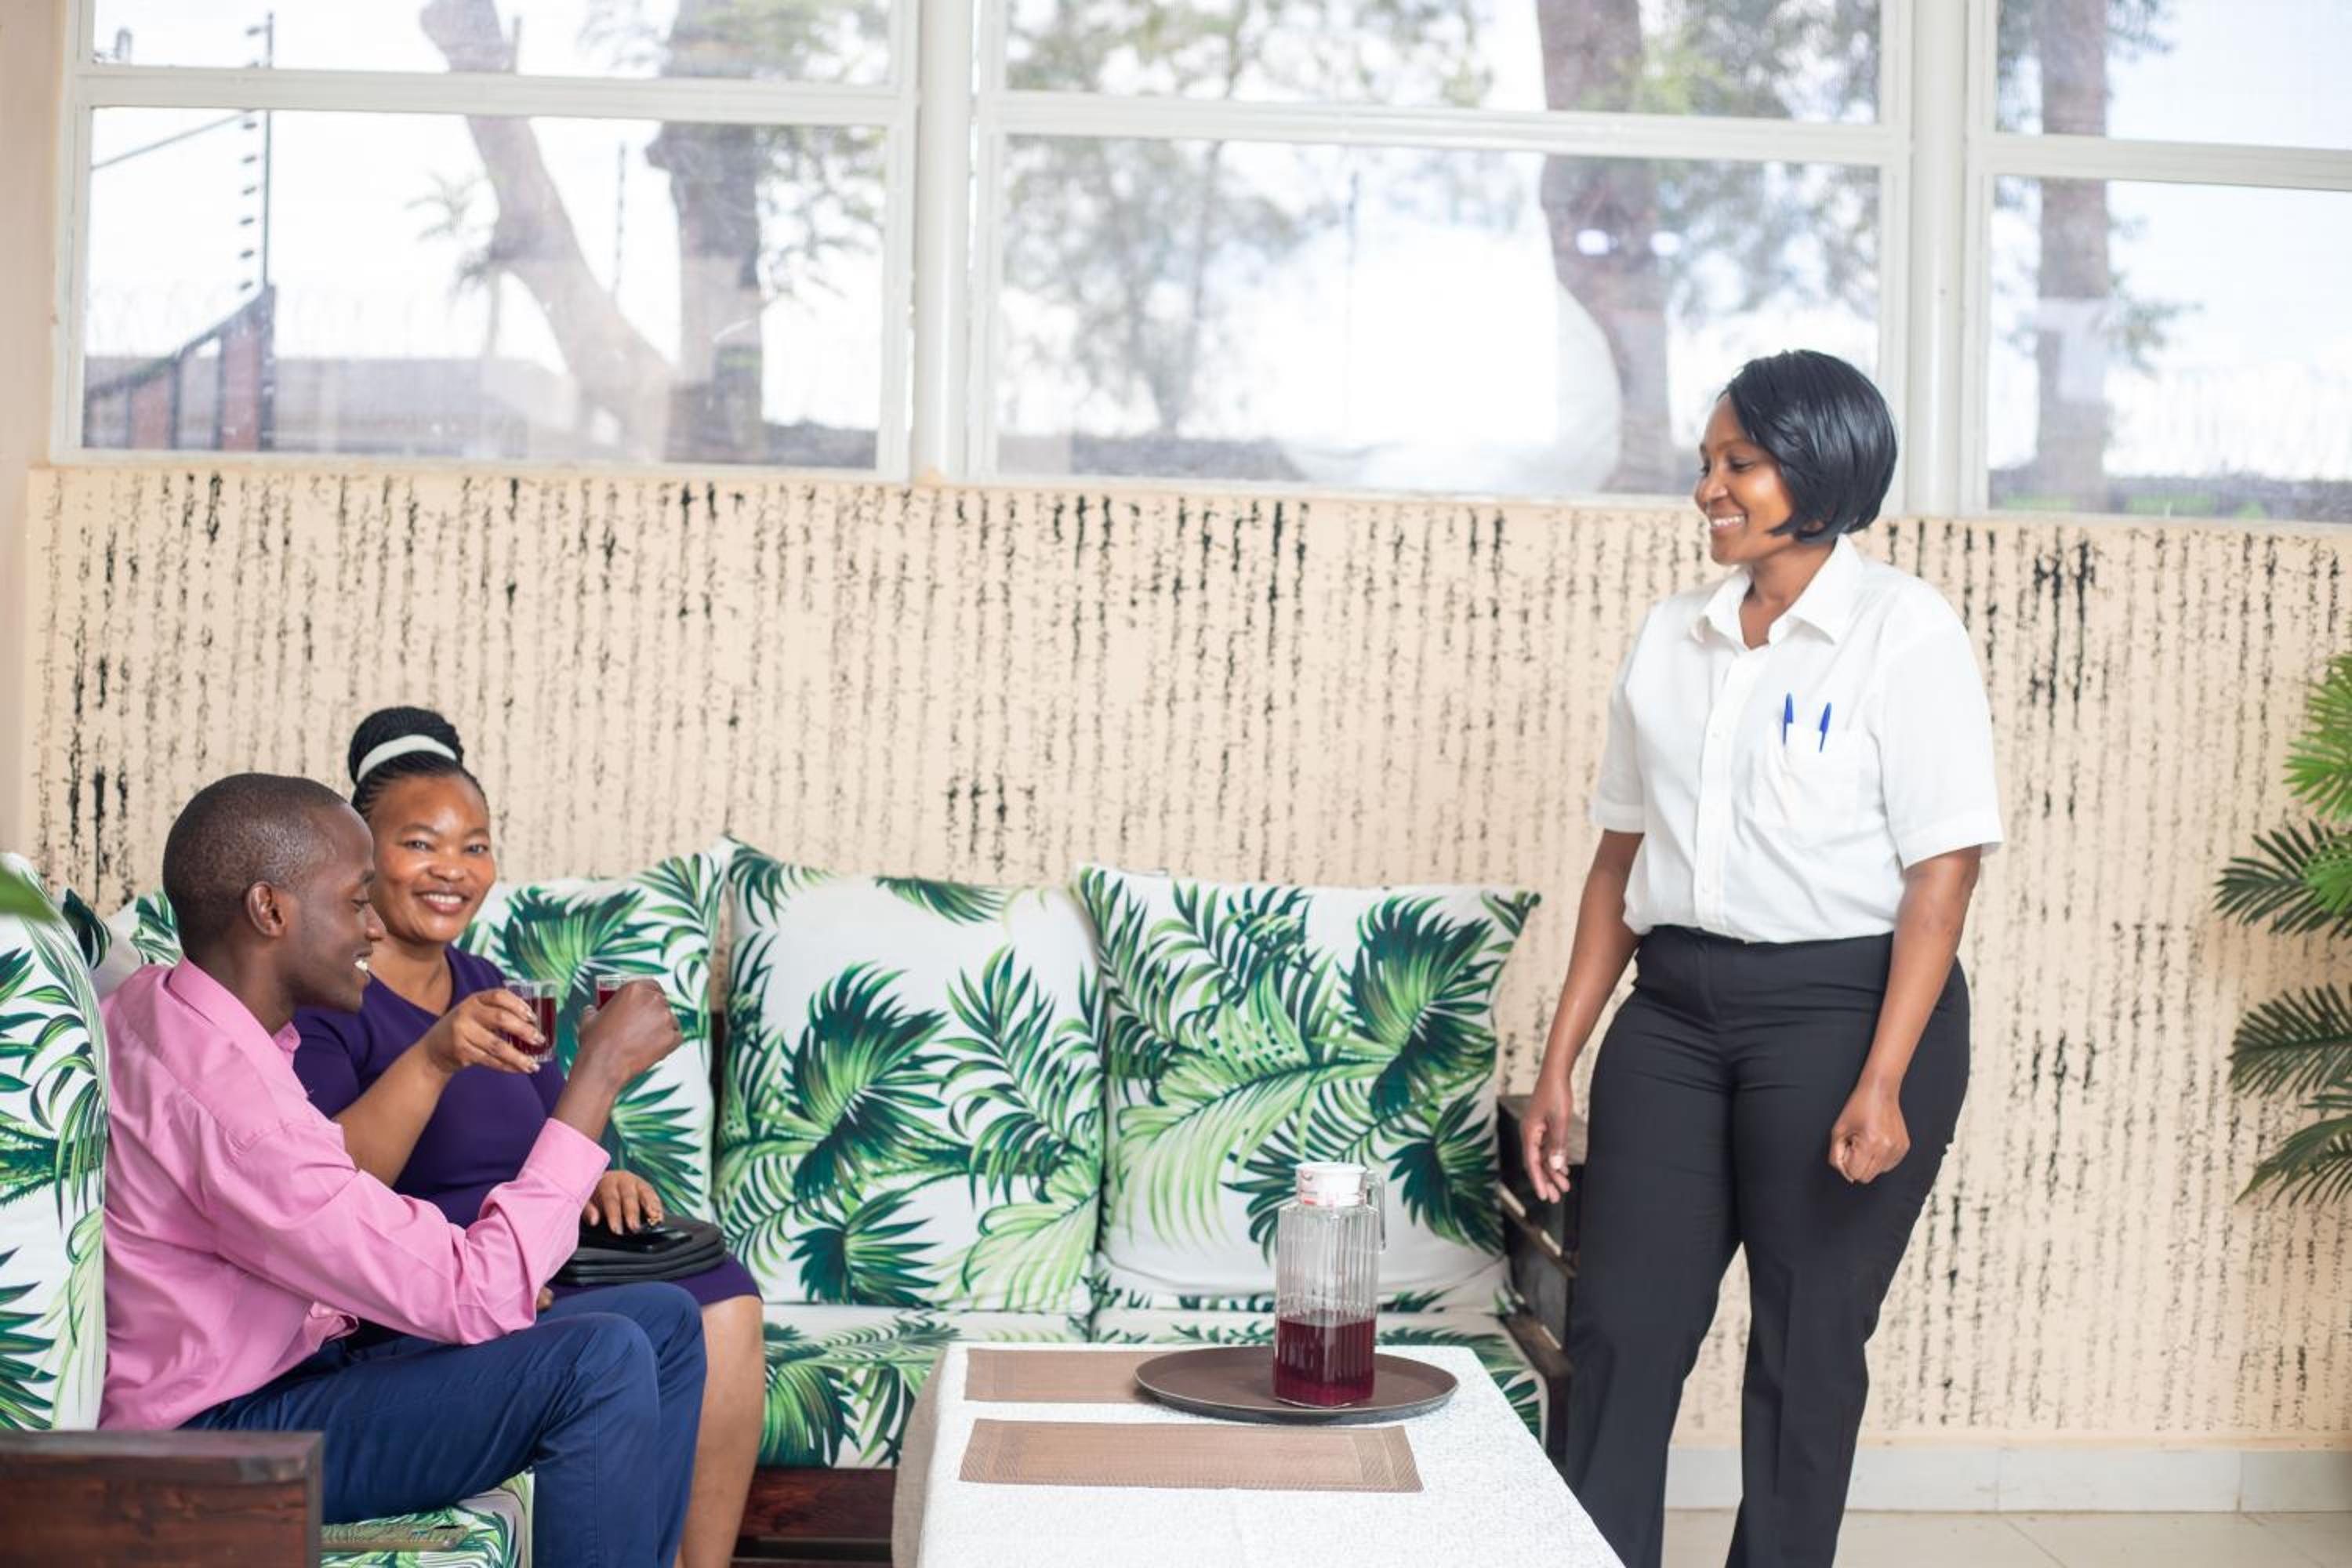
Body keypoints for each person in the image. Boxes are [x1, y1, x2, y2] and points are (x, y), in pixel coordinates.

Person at [1519, 350, 2002, 1568]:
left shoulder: (1903, 630)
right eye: (1707, 464)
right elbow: (1619, 862)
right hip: (1675, 1013)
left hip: (1849, 1012)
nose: (1709, 489)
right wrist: (1562, 1058)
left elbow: (1943, 875)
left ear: (1822, 470)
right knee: (1622, 1330)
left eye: (1741, 463)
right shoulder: (1669, 638)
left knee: (1805, 1347)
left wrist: (1884, 1081)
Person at [101, 772, 704, 1566]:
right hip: (215, 1445)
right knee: (599, 1362)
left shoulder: (160, 1001)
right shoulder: (240, 1116)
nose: (374, 928)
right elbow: (478, 1293)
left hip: (291, 1368)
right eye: (357, 901)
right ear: (270, 910)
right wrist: (597, 1074)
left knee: (665, 1323)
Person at [291, 706, 763, 1568]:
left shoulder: (490, 981)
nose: (453, 868)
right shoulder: (330, 996)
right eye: (421, 843)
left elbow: (555, 1132)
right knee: (642, 1331)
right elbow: (327, 1187)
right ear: (362, 855)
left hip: (540, 1249)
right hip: (441, 1280)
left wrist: (604, 1176)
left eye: (475, 846)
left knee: (723, 1293)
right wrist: (440, 1058)